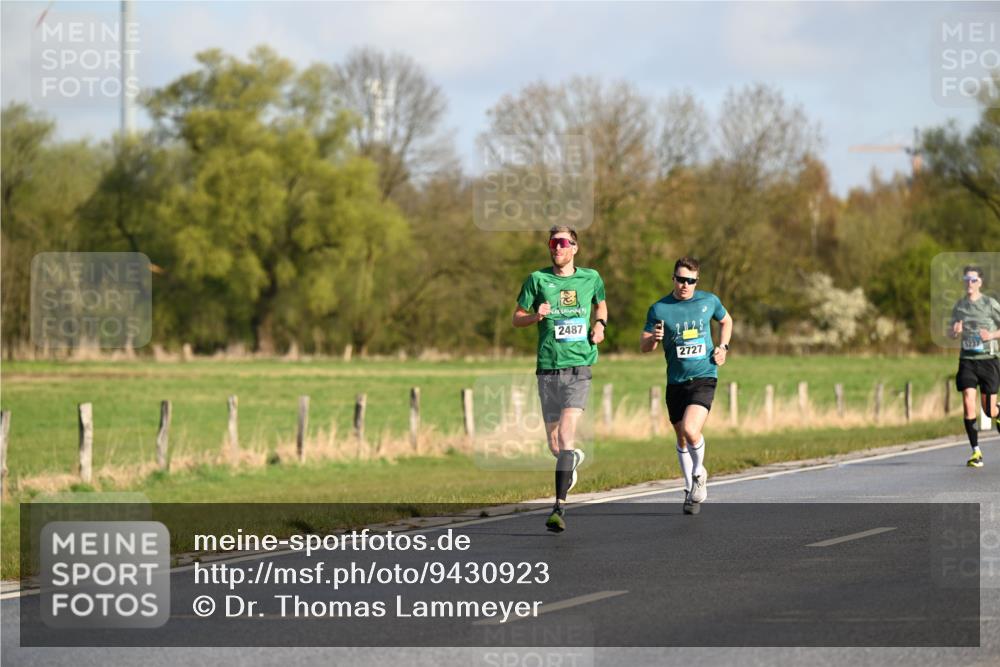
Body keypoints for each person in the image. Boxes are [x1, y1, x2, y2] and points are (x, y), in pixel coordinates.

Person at [513, 226, 607, 532]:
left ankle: (559, 508)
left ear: (575, 248)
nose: (557, 247)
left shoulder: (591, 277)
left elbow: (600, 303)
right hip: (547, 368)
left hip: (579, 367)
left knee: (566, 435)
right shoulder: (536, 280)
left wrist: (600, 325)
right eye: (553, 243)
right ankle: (571, 458)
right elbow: (516, 318)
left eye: (563, 243)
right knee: (555, 444)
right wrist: (535, 316)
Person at [640, 257, 732, 515]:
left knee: (692, 430)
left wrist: (723, 347)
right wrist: (654, 340)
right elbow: (644, 345)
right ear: (673, 279)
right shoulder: (659, 309)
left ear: (696, 282)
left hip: (704, 376)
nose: (685, 285)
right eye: (681, 279)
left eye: (690, 281)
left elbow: (726, 321)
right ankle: (689, 488)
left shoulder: (708, 301)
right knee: (681, 437)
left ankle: (698, 474)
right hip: (675, 381)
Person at [948, 265, 1000, 468]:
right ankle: (976, 452)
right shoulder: (959, 305)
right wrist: (954, 331)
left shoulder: (990, 304)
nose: (969, 283)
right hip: (967, 361)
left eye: (973, 279)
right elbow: (951, 332)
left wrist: (992, 335)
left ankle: (997, 412)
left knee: (988, 410)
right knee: (969, 400)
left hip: (988, 360)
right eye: (966, 279)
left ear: (980, 282)